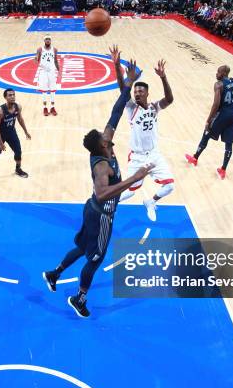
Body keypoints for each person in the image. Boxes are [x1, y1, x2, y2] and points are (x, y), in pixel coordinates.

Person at [42, 56, 152, 318]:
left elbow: (116, 111)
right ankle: (79, 299)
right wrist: (132, 178)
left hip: (90, 209)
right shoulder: (102, 166)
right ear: (101, 146)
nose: (108, 134)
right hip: (102, 214)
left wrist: (128, 82)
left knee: (82, 248)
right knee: (95, 258)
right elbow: (104, 192)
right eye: (105, 137)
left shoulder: (104, 143)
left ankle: (53, 274)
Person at [110, 45, 175, 222]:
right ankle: (110, 205)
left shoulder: (155, 107)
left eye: (140, 91)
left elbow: (169, 99)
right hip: (137, 157)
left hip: (154, 155)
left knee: (169, 187)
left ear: (147, 93)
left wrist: (163, 77)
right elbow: (123, 88)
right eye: (136, 91)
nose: (137, 93)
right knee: (130, 193)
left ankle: (151, 202)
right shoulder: (131, 108)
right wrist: (117, 66)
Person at [185, 65, 233, 180]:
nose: (216, 74)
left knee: (206, 134)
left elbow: (216, 104)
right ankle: (223, 170)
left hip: (222, 115)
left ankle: (195, 158)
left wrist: (209, 120)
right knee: (229, 144)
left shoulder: (219, 84)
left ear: (223, 73)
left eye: (218, 72)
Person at [0, 89, 31, 185]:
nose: (12, 97)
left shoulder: (18, 107)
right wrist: (0, 143)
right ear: (5, 97)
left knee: (18, 151)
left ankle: (18, 169)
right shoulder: (0, 111)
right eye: (10, 95)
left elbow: (20, 118)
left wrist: (26, 131)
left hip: (11, 132)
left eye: (13, 95)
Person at [35, 34, 60, 116]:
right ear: (44, 40)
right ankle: (45, 108)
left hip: (52, 72)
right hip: (43, 72)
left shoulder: (54, 49)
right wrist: (36, 58)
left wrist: (58, 71)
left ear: (51, 40)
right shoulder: (40, 49)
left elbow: (56, 61)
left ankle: (52, 107)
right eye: (46, 39)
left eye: (49, 39)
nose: (48, 40)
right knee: (44, 91)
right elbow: (36, 61)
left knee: (53, 90)